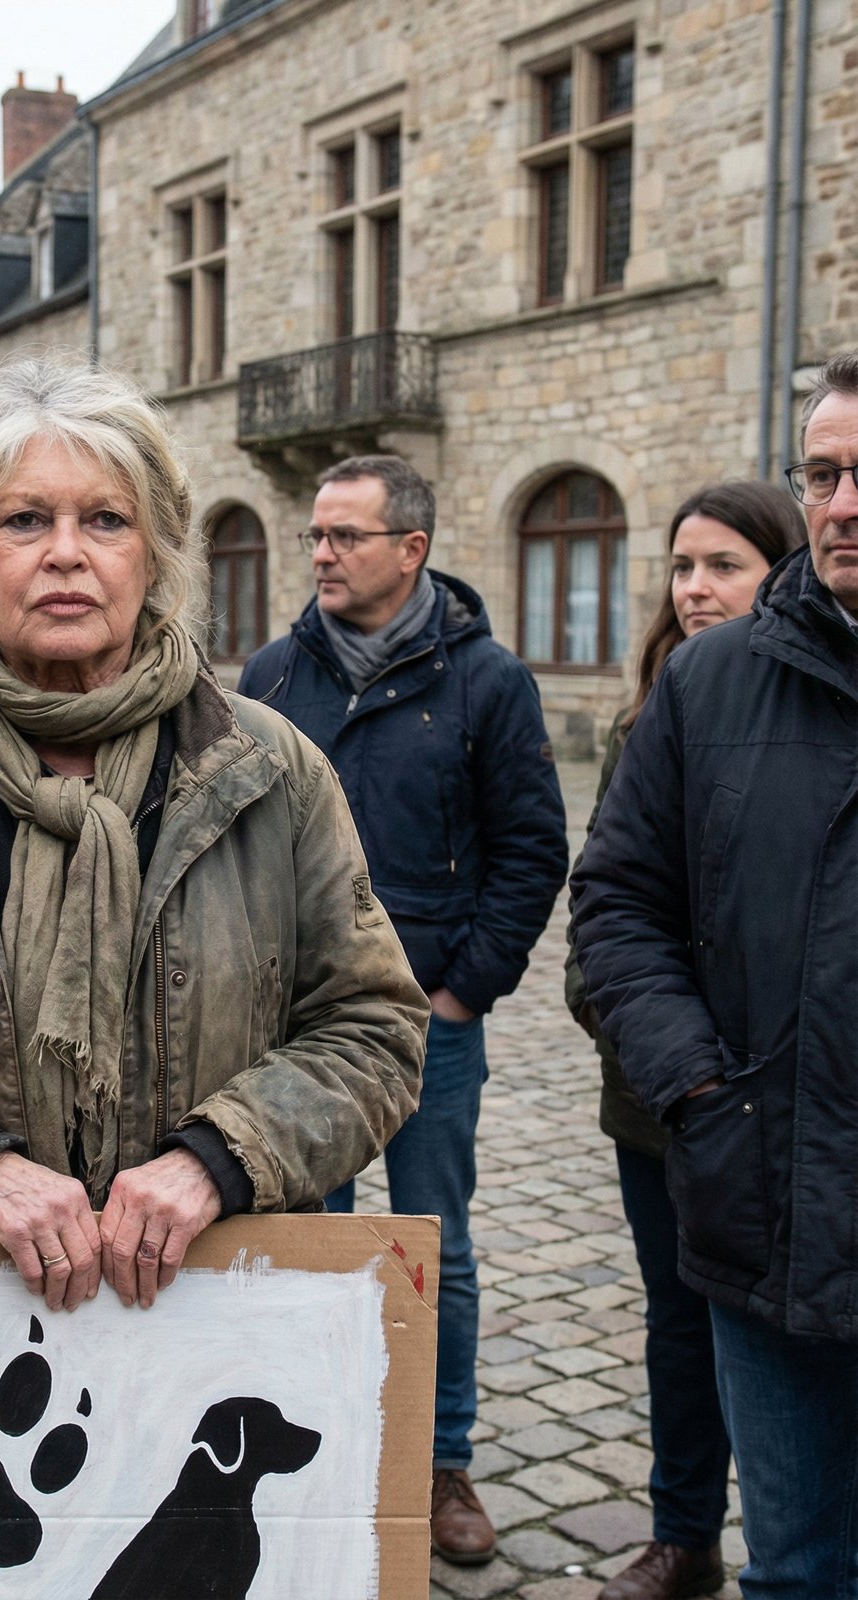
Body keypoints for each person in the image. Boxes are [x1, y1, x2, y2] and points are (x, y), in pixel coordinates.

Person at [0, 357, 428, 1316]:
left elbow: (375, 1031)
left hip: (211, 1324)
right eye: (23, 520)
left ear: (158, 552)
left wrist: (215, 1160)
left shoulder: (270, 771)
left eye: (106, 519)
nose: (66, 553)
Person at [238, 455, 567, 1567]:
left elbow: (531, 852)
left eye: (344, 536)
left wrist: (462, 987)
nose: (320, 552)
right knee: (304, 1242)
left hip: (432, 1027)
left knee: (438, 1249)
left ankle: (439, 1462)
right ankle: (317, 1453)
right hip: (293, 1034)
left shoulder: (488, 682)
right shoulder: (276, 675)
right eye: (316, 535)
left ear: (410, 550)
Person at [571, 350, 858, 1599]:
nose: (844, 503)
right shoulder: (708, 683)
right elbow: (616, 904)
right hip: (764, 1208)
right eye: (826, 474)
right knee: (794, 1570)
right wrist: (699, 1090)